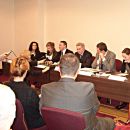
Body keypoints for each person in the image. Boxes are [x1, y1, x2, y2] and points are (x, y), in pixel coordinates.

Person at [40, 53, 115, 130]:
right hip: (86, 127)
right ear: (78, 70)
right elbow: (95, 108)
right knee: (111, 122)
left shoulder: (45, 88)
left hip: (56, 126)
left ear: (59, 69)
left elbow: (41, 112)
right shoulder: (88, 88)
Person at [5, 56, 45, 129]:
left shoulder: (4, 87)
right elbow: (38, 111)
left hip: (12, 123)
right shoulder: (30, 92)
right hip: (31, 124)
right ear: (26, 71)